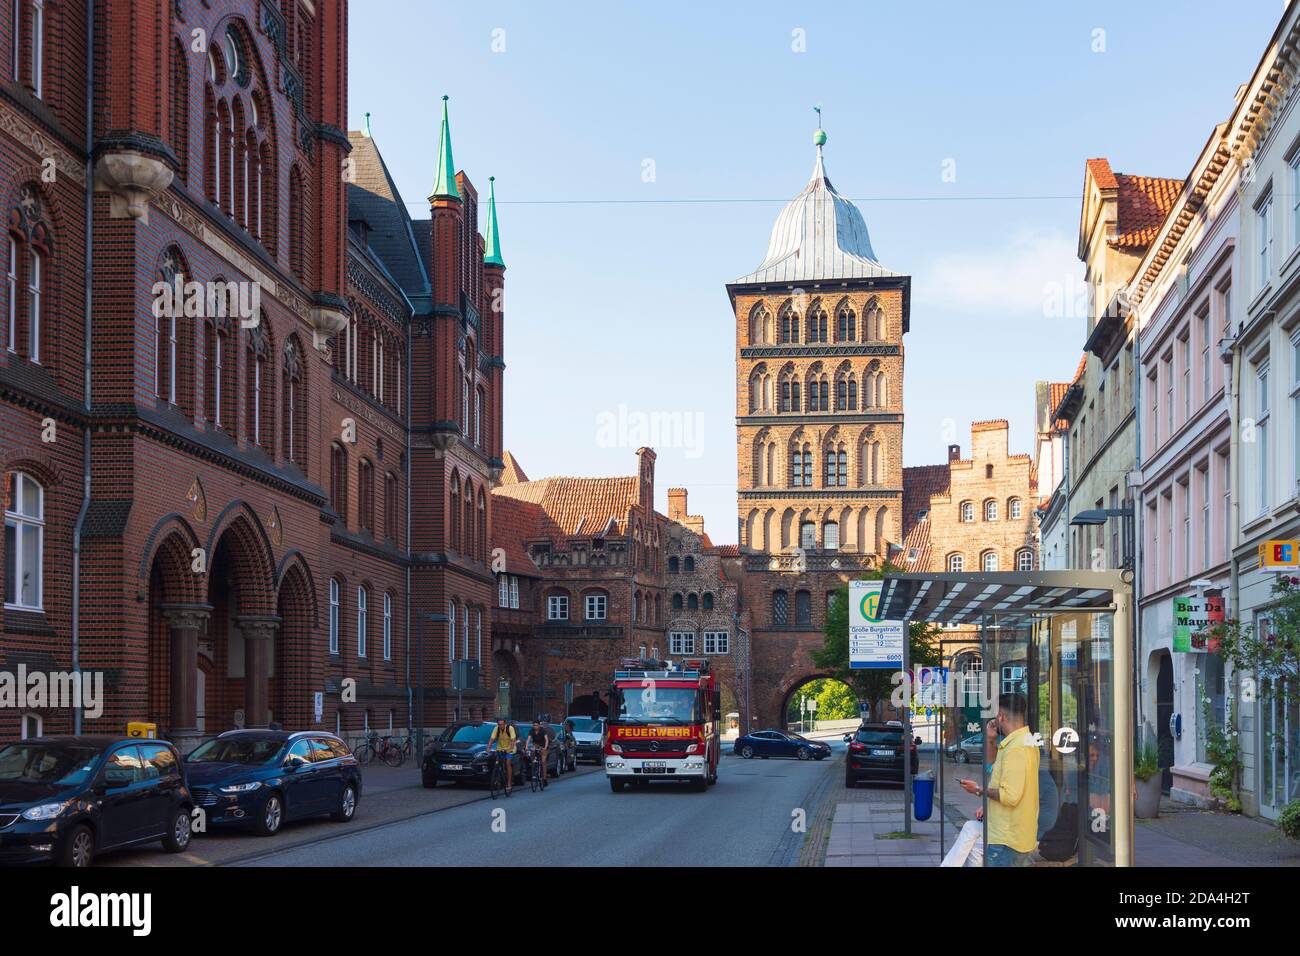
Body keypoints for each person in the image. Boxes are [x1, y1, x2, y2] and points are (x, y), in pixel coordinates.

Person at [957, 693, 1039, 867]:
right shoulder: (1022, 742)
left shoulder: (1017, 749)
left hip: (1007, 839)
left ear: (1001, 716)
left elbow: (1010, 797)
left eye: (996, 714)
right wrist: (990, 739)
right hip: (1012, 835)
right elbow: (992, 768)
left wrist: (978, 790)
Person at [486, 717, 516, 794]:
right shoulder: (496, 729)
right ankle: (496, 775)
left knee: (507, 763)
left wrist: (510, 749)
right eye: (499, 724)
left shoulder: (510, 728)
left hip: (509, 748)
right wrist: (488, 747)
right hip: (500, 748)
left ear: (505, 723)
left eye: (502, 724)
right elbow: (492, 738)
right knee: (496, 761)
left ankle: (509, 783)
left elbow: (513, 739)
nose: (501, 726)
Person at [527, 719, 550, 788]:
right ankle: (534, 763)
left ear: (539, 725)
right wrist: (526, 747)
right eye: (534, 725)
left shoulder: (543, 730)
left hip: (543, 746)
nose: (535, 726)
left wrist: (545, 747)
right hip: (536, 745)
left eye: (536, 725)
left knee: (543, 761)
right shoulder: (531, 730)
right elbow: (528, 739)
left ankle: (544, 778)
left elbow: (546, 740)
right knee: (532, 751)